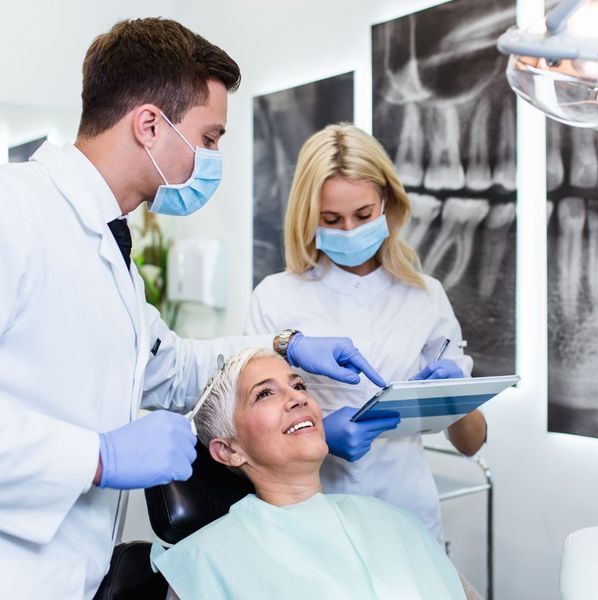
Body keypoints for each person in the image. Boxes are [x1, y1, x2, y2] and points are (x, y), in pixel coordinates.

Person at [0, 22, 385, 599]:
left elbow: (172, 366)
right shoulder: (16, 211)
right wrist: (97, 458)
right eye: (209, 138)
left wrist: (283, 347)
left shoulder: (108, 250)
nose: (212, 158)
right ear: (150, 125)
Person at [245, 123, 487, 543]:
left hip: (407, 514)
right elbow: (247, 434)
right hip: (311, 516)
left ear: (387, 205)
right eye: (331, 220)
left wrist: (458, 400)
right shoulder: (275, 297)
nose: (350, 231)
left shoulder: (426, 297)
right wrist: (321, 434)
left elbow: (471, 443)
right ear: (308, 216)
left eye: (363, 214)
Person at [153, 348, 477, 600]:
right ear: (229, 451)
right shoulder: (207, 564)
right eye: (264, 393)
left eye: (298, 385)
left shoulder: (398, 524)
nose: (297, 398)